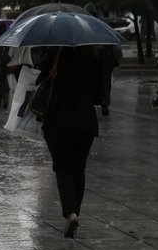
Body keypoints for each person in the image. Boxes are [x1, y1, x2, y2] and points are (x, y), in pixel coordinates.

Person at [36, 46, 105, 238]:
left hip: (59, 121)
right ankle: (75, 212)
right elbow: (99, 96)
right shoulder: (94, 59)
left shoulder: (55, 55)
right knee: (78, 168)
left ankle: (71, 212)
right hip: (85, 122)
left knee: (62, 167)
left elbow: (41, 83)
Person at [98, 44, 123, 116]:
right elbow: (118, 52)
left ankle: (102, 100)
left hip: (102, 61)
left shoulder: (97, 39)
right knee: (106, 82)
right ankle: (105, 101)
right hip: (108, 63)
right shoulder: (111, 39)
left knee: (101, 82)